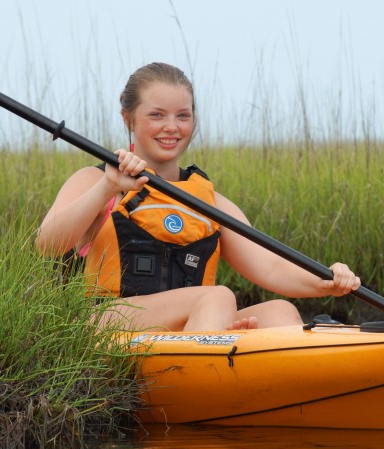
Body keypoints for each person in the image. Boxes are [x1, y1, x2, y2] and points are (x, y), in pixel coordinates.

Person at [35, 62, 361, 332]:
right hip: (107, 323)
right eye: (157, 115)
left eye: (183, 115)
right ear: (128, 118)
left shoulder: (209, 201)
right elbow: (47, 244)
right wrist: (108, 186)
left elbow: (272, 267)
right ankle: (204, 366)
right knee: (215, 297)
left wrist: (327, 281)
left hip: (188, 324)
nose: (171, 127)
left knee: (279, 312)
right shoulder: (95, 179)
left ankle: (228, 363)